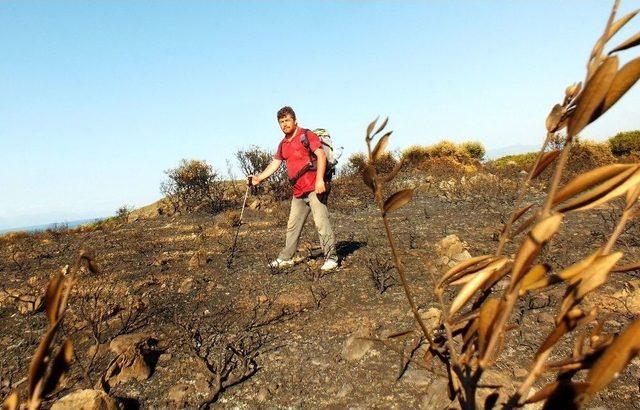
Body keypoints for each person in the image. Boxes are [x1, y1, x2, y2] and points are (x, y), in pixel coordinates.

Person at [249, 106, 338, 271]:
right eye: (281, 122)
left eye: (287, 120)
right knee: (292, 225)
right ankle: (286, 258)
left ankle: (331, 258)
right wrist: (259, 178)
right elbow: (276, 162)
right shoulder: (283, 144)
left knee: (321, 223)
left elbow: (321, 155)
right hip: (298, 191)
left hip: (315, 187)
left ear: (295, 120)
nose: (284, 124)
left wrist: (319, 180)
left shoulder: (306, 135)